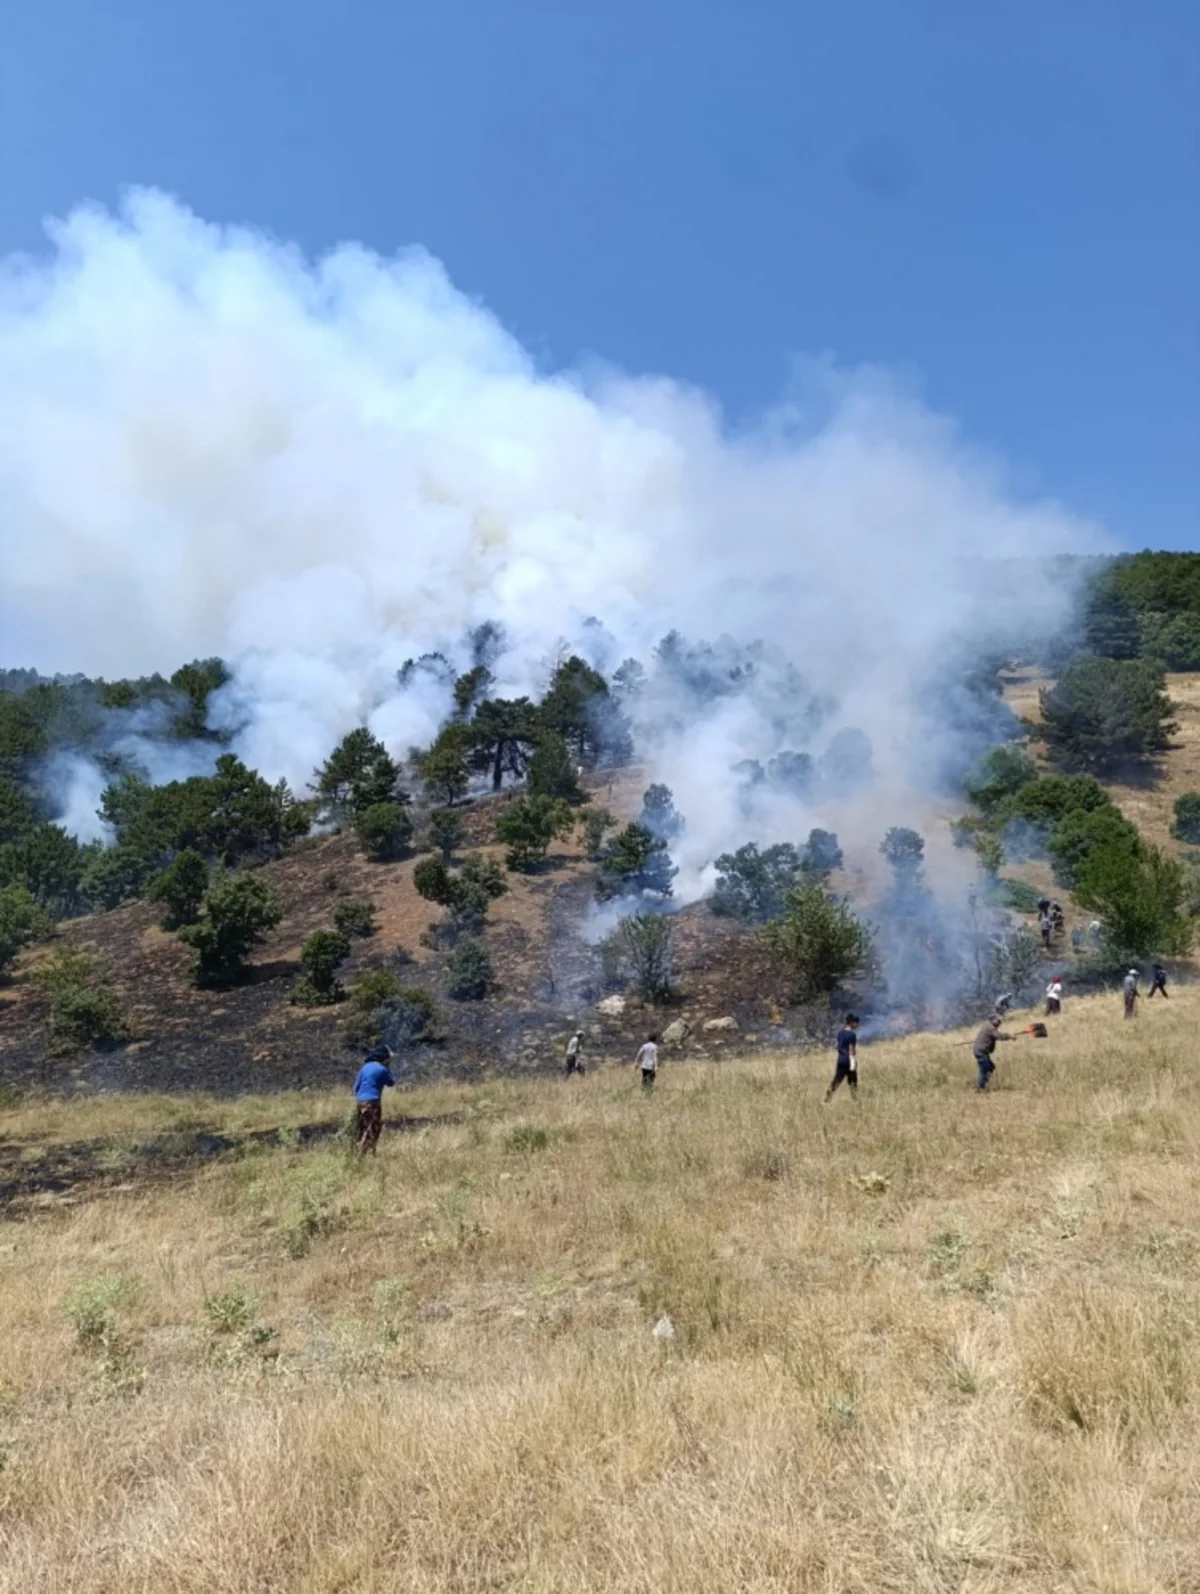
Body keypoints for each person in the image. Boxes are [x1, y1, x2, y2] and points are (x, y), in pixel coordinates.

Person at [353, 1044, 395, 1154]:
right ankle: (364, 1153)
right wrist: (388, 1066)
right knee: (373, 1128)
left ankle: (358, 1150)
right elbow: (391, 1082)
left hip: (360, 1101)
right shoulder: (382, 1069)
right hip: (373, 1102)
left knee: (361, 1127)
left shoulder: (365, 1067)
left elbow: (356, 1087)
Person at [972, 1014, 1015, 1092]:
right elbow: (999, 1036)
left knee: (990, 1067)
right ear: (993, 1020)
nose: (999, 1023)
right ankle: (979, 1088)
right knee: (985, 1068)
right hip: (981, 1051)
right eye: (998, 1021)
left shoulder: (987, 1025)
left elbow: (993, 1036)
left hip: (979, 1050)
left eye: (1000, 1021)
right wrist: (1010, 1036)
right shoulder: (991, 1028)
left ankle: (981, 1085)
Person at [825, 1013, 860, 1101]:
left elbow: (837, 1045)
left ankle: (828, 1097)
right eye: (855, 1022)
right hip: (849, 1060)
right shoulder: (852, 1035)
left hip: (840, 1060)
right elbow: (852, 1049)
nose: (857, 1024)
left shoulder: (840, 1033)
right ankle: (855, 1099)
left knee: (837, 1079)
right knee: (853, 1081)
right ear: (851, 1023)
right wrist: (853, 1062)